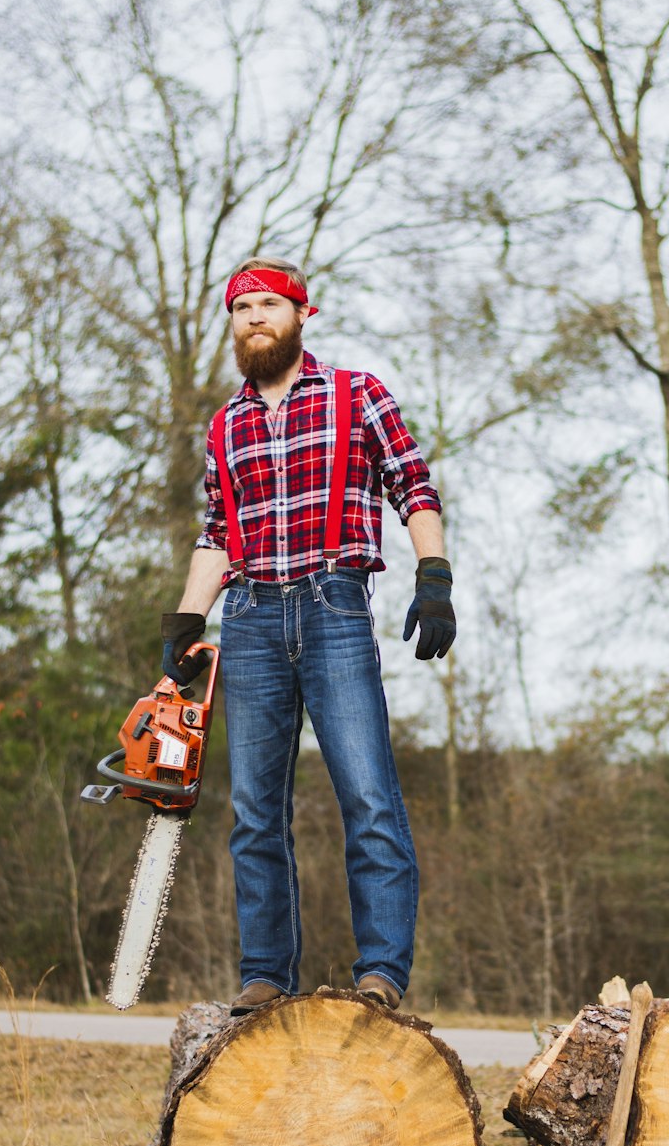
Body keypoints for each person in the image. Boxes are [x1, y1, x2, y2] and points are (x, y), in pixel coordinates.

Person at [160, 256, 455, 1015]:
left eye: (269, 304)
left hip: (335, 610)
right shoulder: (225, 424)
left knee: (368, 798)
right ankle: (265, 976)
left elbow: (414, 484)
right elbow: (219, 532)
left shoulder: (358, 393)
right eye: (241, 308)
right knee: (255, 811)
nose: (255, 317)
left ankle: (382, 974)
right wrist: (187, 624)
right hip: (251, 618)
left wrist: (434, 578)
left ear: (301, 315)